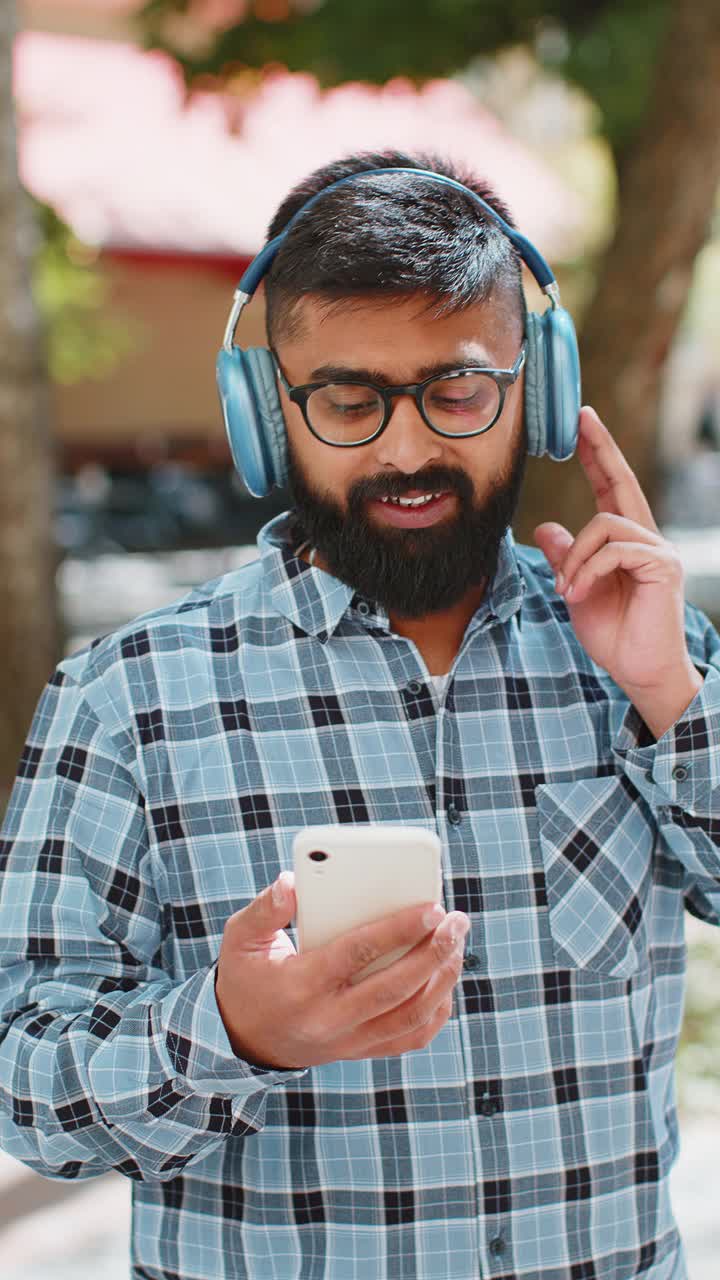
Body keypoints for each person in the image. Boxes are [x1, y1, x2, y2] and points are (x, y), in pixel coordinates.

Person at [0, 150, 718, 1280]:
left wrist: (669, 698)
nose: (405, 447)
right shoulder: (123, 699)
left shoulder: (647, 653)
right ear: (262, 412)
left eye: (458, 388)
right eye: (347, 398)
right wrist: (232, 1035)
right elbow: (24, 1089)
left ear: (537, 388)